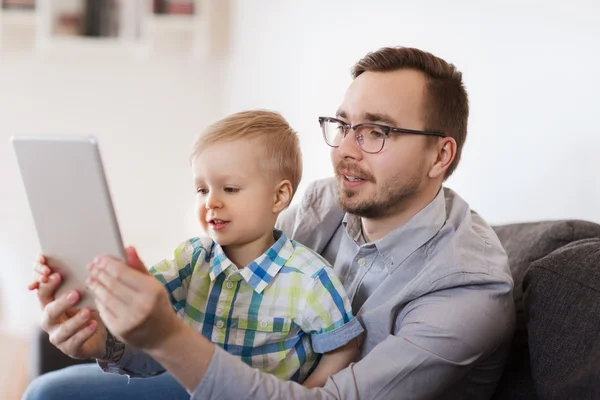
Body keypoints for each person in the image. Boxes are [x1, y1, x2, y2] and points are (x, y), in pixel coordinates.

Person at [25, 46, 515, 400]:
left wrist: (165, 336)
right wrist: (107, 340)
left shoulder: (468, 291)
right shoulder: (326, 203)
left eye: (375, 131)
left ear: (440, 154)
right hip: (252, 379)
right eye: (343, 125)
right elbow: (236, 333)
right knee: (50, 390)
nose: (344, 149)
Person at [25, 110, 363, 398]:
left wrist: (311, 390)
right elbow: (145, 300)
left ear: (279, 197)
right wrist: (85, 290)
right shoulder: (191, 258)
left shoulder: (309, 277)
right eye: (202, 189)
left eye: (229, 189)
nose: (211, 202)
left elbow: (343, 346)